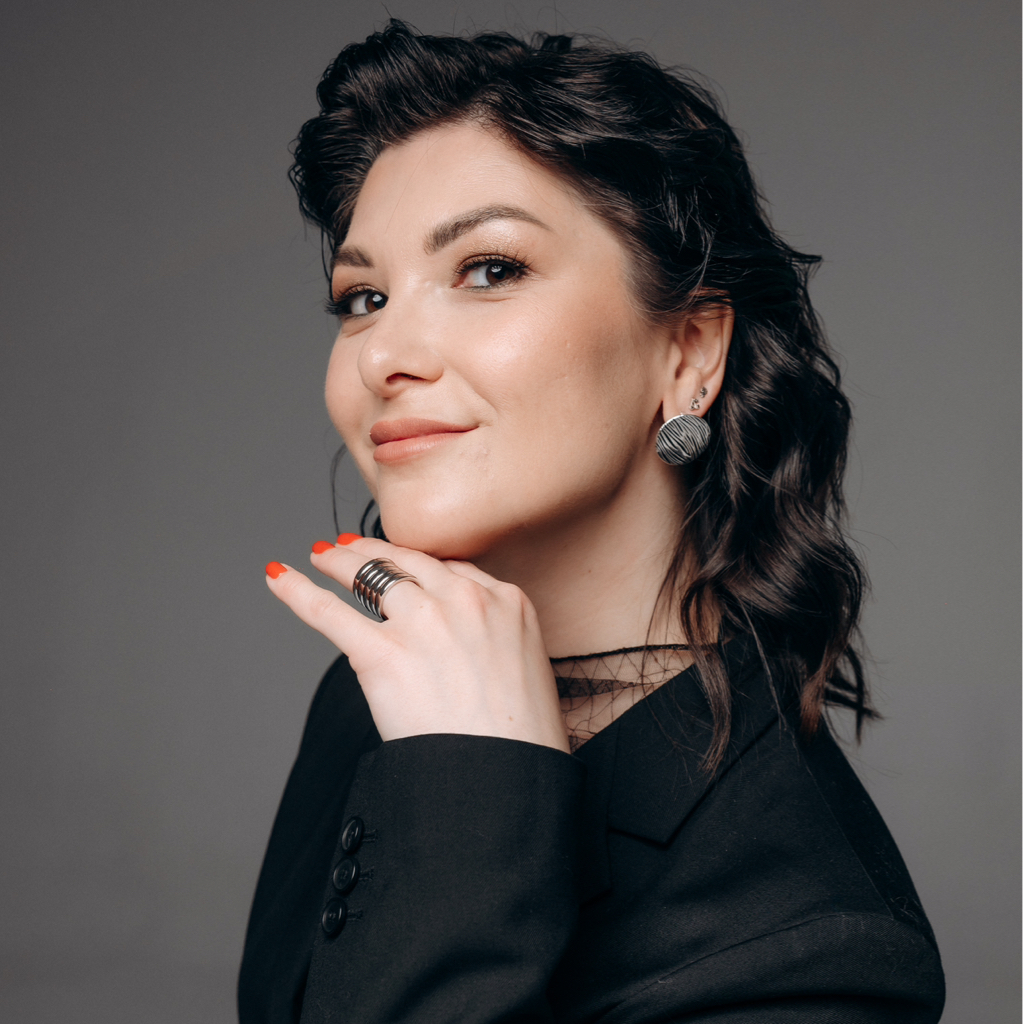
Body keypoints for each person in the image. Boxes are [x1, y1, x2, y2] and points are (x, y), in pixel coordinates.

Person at [238, 20, 945, 1023]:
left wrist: (469, 789)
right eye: (363, 297)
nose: (382, 354)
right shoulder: (385, 692)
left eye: (489, 270)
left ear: (688, 352)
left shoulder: (814, 949)